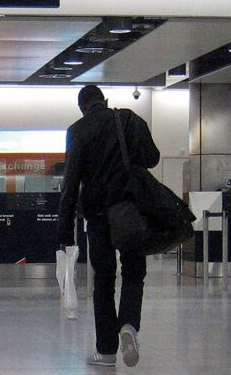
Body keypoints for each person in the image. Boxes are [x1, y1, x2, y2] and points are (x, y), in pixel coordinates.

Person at [57, 85, 160, 368]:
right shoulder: (130, 119)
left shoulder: (77, 130)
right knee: (133, 273)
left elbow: (70, 182)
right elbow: (153, 158)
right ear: (105, 100)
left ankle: (105, 351)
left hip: (98, 215)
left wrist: (64, 230)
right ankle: (128, 325)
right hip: (130, 210)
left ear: (82, 107)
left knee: (103, 281)